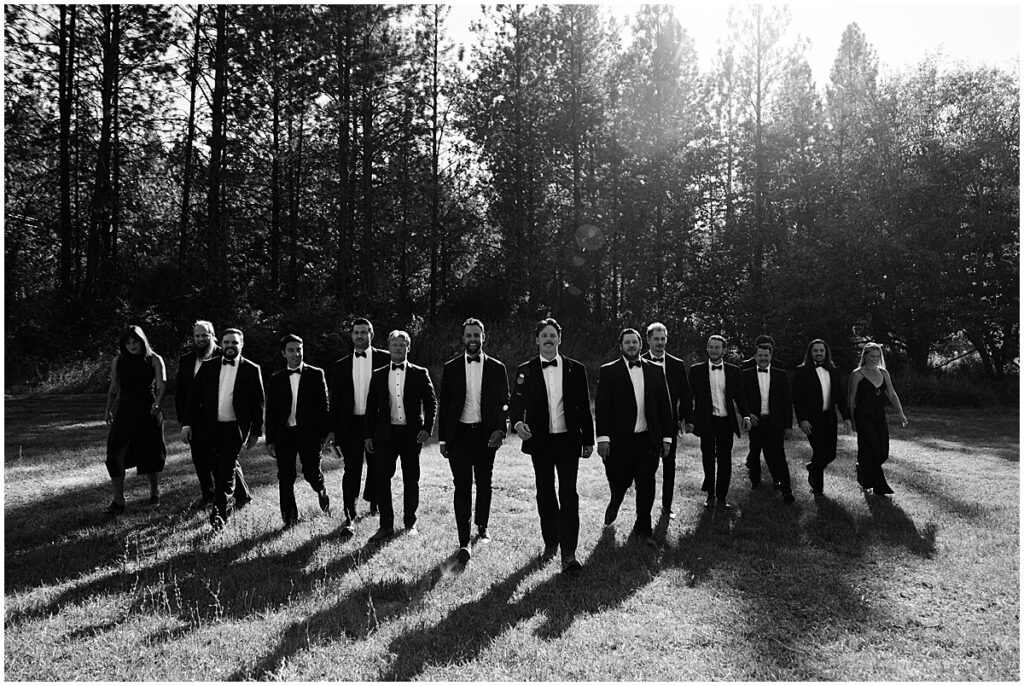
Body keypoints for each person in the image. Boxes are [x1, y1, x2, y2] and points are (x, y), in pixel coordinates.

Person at [509, 318, 595, 574]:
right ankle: (551, 542)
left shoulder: (576, 369)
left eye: (552, 335)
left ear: (560, 339)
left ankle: (569, 552)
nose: (548, 339)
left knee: (569, 493)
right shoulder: (526, 369)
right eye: (544, 335)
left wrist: (588, 439)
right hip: (541, 442)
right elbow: (515, 404)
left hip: (569, 441)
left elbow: (584, 408)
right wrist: (516, 424)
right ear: (537, 340)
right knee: (544, 492)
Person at [438, 318, 509, 564]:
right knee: (462, 485)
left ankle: (483, 525)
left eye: (476, 335)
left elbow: (504, 402)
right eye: (468, 335)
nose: (472, 340)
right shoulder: (451, 367)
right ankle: (463, 540)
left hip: (485, 434)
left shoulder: (497, 368)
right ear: (463, 338)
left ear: (483, 337)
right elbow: (445, 403)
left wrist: (501, 429)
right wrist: (443, 439)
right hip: (458, 435)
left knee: (485, 482)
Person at [181, 328, 265, 530]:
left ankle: (218, 514)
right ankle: (241, 495)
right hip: (208, 427)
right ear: (222, 343)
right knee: (212, 465)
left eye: (234, 343)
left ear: (241, 344)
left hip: (234, 428)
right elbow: (193, 398)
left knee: (225, 469)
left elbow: (258, 404)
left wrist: (255, 432)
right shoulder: (209, 366)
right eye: (226, 342)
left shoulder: (252, 369)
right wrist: (187, 424)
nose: (230, 346)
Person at [596, 328, 673, 545]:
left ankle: (643, 529)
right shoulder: (609, 371)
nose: (631, 346)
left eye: (634, 342)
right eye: (627, 342)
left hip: (647, 439)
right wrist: (603, 437)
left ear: (641, 344)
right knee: (619, 480)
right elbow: (602, 407)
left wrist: (667, 438)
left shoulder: (656, 370)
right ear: (621, 346)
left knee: (646, 483)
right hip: (619, 440)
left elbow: (664, 407)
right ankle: (616, 499)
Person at [364, 330, 436, 543]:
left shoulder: (420, 373)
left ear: (408, 348)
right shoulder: (378, 374)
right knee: (381, 479)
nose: (397, 348)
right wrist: (368, 435)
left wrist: (428, 428)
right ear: (388, 347)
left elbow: (431, 403)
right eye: (394, 344)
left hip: (412, 435)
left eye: (402, 345)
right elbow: (371, 408)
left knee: (411, 479)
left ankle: (410, 522)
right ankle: (385, 525)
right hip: (384, 435)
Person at [175, 320, 251, 507]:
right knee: (200, 459)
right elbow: (182, 394)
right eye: (197, 336)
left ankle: (241, 495)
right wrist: (185, 422)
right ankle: (207, 494)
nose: (201, 339)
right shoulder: (186, 360)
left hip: (221, 418)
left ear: (213, 336)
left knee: (226, 459)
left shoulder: (225, 353)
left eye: (205, 335)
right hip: (195, 419)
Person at [325, 318, 390, 536]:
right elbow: (334, 401)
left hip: (378, 423)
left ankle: (373, 501)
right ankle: (349, 517)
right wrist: (331, 429)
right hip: (350, 424)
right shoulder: (341, 365)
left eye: (364, 332)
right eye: (356, 332)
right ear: (351, 335)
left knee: (378, 467)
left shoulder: (386, 358)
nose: (360, 336)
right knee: (352, 470)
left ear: (371, 334)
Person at [265, 334, 331, 527]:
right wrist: (270, 440)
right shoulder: (276, 379)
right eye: (291, 350)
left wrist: (327, 433)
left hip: (309, 434)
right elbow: (271, 412)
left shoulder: (316, 374)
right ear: (283, 353)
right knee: (285, 477)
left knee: (311, 473)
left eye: (299, 349)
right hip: (285, 434)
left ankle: (321, 490)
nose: (296, 354)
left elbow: (324, 406)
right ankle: (290, 519)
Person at [103, 325, 167, 515]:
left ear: (142, 341)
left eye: (135, 341)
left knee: (150, 453)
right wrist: (108, 410)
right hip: (124, 411)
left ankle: (154, 491)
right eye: (128, 342)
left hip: (148, 411)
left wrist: (157, 404)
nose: (132, 345)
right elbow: (114, 387)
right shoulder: (118, 361)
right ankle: (118, 500)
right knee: (114, 454)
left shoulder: (154, 359)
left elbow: (162, 386)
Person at [641, 322, 693, 520]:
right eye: (656, 339)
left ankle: (666, 506)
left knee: (669, 465)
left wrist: (688, 419)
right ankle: (644, 507)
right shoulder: (640, 362)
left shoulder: (676, 364)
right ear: (648, 340)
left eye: (663, 339)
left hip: (669, 423)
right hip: (647, 424)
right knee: (648, 467)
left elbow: (686, 395)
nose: (660, 343)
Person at [689, 335, 747, 509]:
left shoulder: (734, 371)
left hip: (725, 422)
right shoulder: (696, 370)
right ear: (707, 348)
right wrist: (687, 418)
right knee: (707, 457)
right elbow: (688, 396)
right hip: (706, 421)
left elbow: (740, 396)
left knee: (724, 459)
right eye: (711, 347)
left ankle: (722, 497)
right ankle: (710, 494)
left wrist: (746, 415)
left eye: (717, 347)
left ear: (724, 350)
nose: (714, 350)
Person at [792, 339, 852, 495]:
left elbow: (840, 396)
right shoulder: (801, 371)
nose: (818, 353)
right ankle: (818, 489)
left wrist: (846, 417)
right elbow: (797, 399)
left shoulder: (834, 370)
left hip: (829, 418)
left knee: (830, 454)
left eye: (821, 350)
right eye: (815, 351)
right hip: (811, 421)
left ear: (826, 352)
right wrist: (802, 419)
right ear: (810, 353)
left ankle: (812, 467)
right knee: (819, 452)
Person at [848, 342, 908, 496]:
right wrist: (852, 419)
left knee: (883, 453)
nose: (874, 359)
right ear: (865, 356)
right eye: (871, 356)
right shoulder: (857, 374)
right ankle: (880, 487)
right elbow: (851, 398)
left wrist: (901, 413)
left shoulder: (884, 372)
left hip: (879, 416)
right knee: (873, 450)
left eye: (877, 356)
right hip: (863, 416)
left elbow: (892, 394)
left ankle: (863, 470)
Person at [739, 341, 795, 504]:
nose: (763, 358)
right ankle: (755, 481)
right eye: (760, 355)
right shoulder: (746, 374)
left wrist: (788, 426)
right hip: (755, 422)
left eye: (766, 355)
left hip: (774, 422)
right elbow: (741, 398)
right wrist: (748, 414)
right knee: (754, 452)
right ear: (755, 357)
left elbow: (786, 401)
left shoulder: (780, 374)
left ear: (770, 356)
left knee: (779, 456)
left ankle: (787, 490)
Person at [741, 334, 777, 488]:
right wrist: (748, 413)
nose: (764, 355)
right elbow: (741, 394)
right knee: (755, 449)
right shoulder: (745, 367)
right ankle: (755, 481)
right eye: (761, 346)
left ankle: (778, 478)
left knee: (774, 451)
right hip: (754, 416)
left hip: (773, 417)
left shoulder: (778, 366)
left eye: (768, 346)